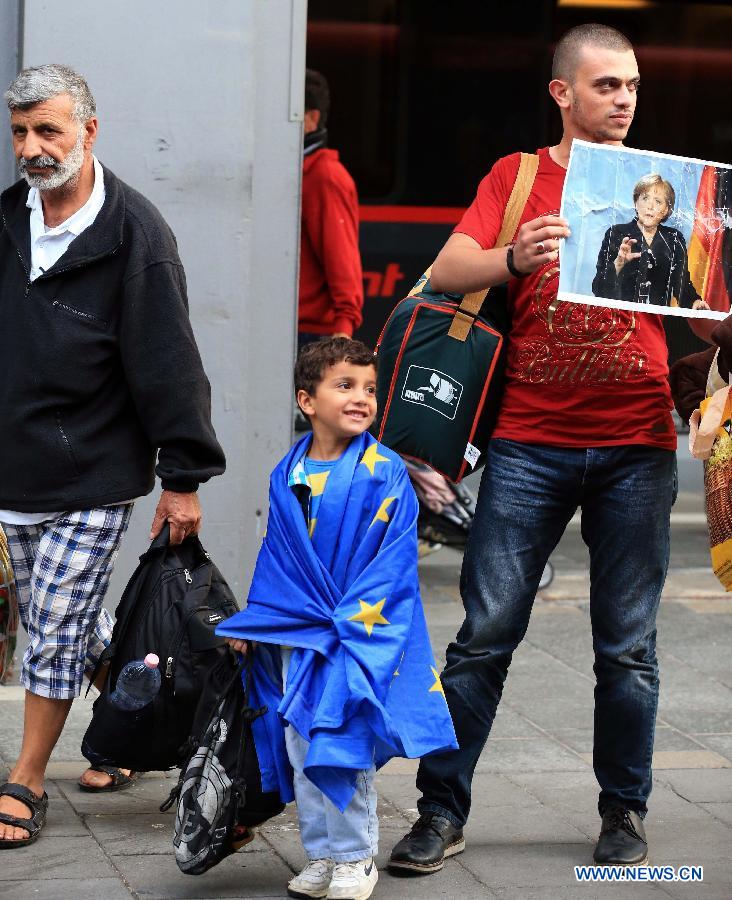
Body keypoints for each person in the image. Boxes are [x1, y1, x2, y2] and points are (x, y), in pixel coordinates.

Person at [388, 24, 677, 875]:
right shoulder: (517, 177)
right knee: (484, 634)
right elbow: (446, 272)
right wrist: (513, 256)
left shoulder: (667, 188)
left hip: (639, 440)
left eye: (631, 86)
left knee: (628, 646)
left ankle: (624, 812)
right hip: (527, 441)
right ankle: (441, 810)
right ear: (562, 92)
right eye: (605, 86)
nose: (623, 99)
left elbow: (707, 316)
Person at [0, 64, 225, 848]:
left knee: (53, 628)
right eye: (21, 130)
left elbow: (169, 361)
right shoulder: (5, 223)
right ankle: (157, 723)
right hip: (15, 468)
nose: (32, 147)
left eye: (48, 131)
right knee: (74, 624)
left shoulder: (136, 233)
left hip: (95, 472)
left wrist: (184, 477)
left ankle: (26, 780)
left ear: (89, 131)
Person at [217, 337, 456, 900]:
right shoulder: (288, 471)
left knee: (340, 738)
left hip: (355, 633)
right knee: (301, 741)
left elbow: (392, 564)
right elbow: (278, 554)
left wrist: (347, 621)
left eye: (370, 389)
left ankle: (355, 858)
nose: (361, 398)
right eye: (344, 386)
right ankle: (321, 854)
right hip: (300, 631)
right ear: (307, 400)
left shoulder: (385, 471)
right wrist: (259, 622)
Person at [298, 70, 363, 351]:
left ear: (311, 118)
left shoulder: (324, 176)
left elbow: (341, 258)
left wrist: (343, 328)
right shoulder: (301, 172)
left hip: (312, 337)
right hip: (293, 327)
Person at [592, 173, 703, 308]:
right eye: (645, 198)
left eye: (658, 201)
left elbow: (682, 284)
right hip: (621, 318)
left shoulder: (674, 238)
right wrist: (618, 264)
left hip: (657, 320)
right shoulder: (615, 233)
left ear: (666, 210)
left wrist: (695, 302)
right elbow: (598, 289)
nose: (650, 206)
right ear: (636, 203)